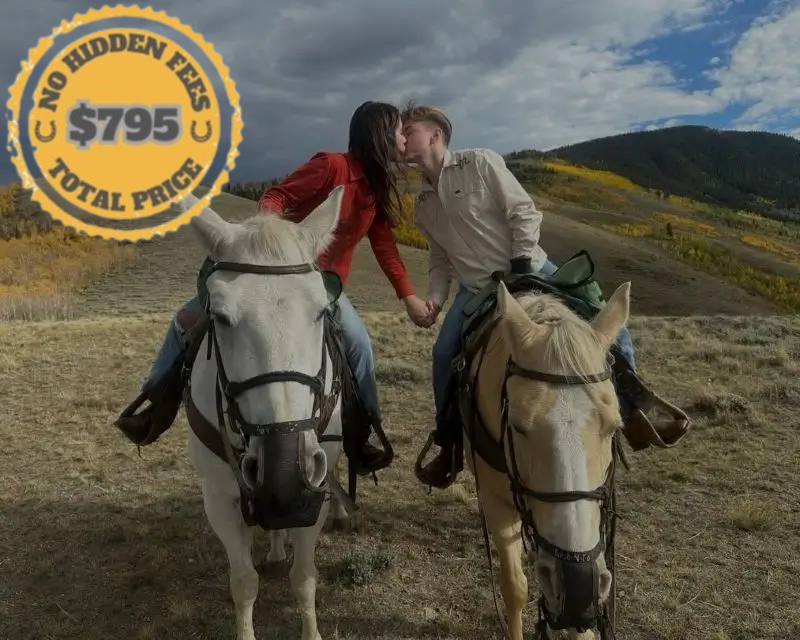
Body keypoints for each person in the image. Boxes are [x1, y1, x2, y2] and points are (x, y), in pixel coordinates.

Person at [116, 100, 435, 474]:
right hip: (274, 275)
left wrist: (408, 296)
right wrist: (268, 243)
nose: (403, 138)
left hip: (322, 288)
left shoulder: (375, 189)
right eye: (399, 130)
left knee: (360, 346)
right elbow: (276, 197)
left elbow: (384, 245)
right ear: (379, 134)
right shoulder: (331, 166)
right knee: (186, 320)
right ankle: (154, 404)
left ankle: (360, 434)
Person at [399, 100, 637, 488]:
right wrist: (436, 300)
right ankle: (450, 443)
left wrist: (523, 265)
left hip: (529, 267)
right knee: (443, 354)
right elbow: (440, 259)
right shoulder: (423, 204)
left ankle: (629, 410)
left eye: (408, 130)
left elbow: (523, 212)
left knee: (611, 324)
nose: (401, 138)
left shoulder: (480, 163)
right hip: (477, 288)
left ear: (435, 134)